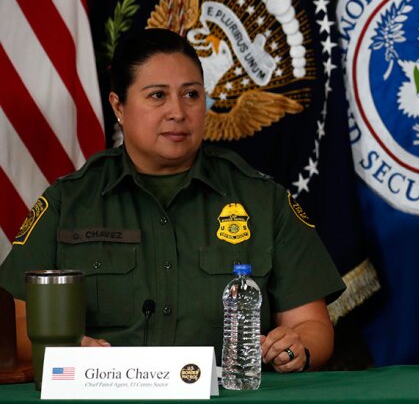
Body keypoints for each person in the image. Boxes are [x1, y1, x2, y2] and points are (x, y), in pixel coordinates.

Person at [0, 28, 344, 372]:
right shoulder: (68, 203)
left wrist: (297, 347)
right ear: (118, 105)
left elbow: (311, 326)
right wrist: (63, 348)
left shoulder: (261, 199)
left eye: (191, 95)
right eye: (157, 96)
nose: (178, 112)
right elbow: (14, 324)